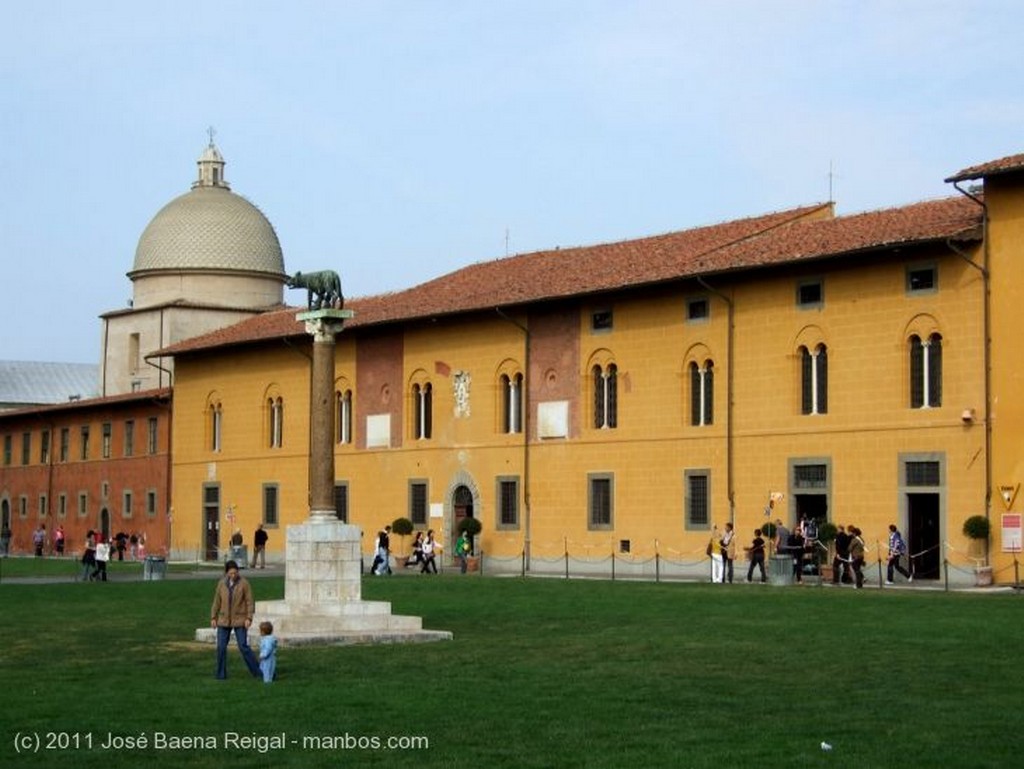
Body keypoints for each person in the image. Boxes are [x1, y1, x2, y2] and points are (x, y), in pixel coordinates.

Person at [210, 560, 261, 680]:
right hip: (223, 620)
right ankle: (221, 674)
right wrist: (213, 617)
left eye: (235, 572)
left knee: (243, 646)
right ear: (226, 573)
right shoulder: (221, 584)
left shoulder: (244, 584)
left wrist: (249, 618)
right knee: (221, 647)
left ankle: (258, 672)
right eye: (231, 573)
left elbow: (249, 601)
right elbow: (217, 601)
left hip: (240, 619)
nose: (233, 575)